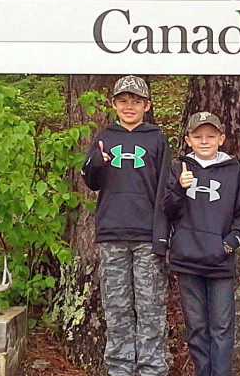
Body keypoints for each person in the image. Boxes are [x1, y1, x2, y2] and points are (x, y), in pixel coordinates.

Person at [80, 75, 171, 376]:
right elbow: (91, 182)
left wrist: (162, 236)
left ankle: (152, 369)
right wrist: (98, 162)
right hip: (112, 234)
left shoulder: (157, 139)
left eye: (135, 101)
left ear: (147, 105)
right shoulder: (105, 136)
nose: (129, 106)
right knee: (117, 309)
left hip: (147, 236)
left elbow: (165, 191)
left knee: (150, 309)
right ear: (113, 104)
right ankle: (119, 369)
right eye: (123, 101)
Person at [162, 112, 240, 376]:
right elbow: (168, 209)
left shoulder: (233, 170)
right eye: (198, 136)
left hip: (220, 261)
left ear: (221, 138)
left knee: (222, 328)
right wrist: (180, 188)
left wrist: (229, 243)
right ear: (188, 139)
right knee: (196, 327)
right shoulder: (179, 167)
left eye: (211, 136)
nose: (204, 141)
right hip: (187, 260)